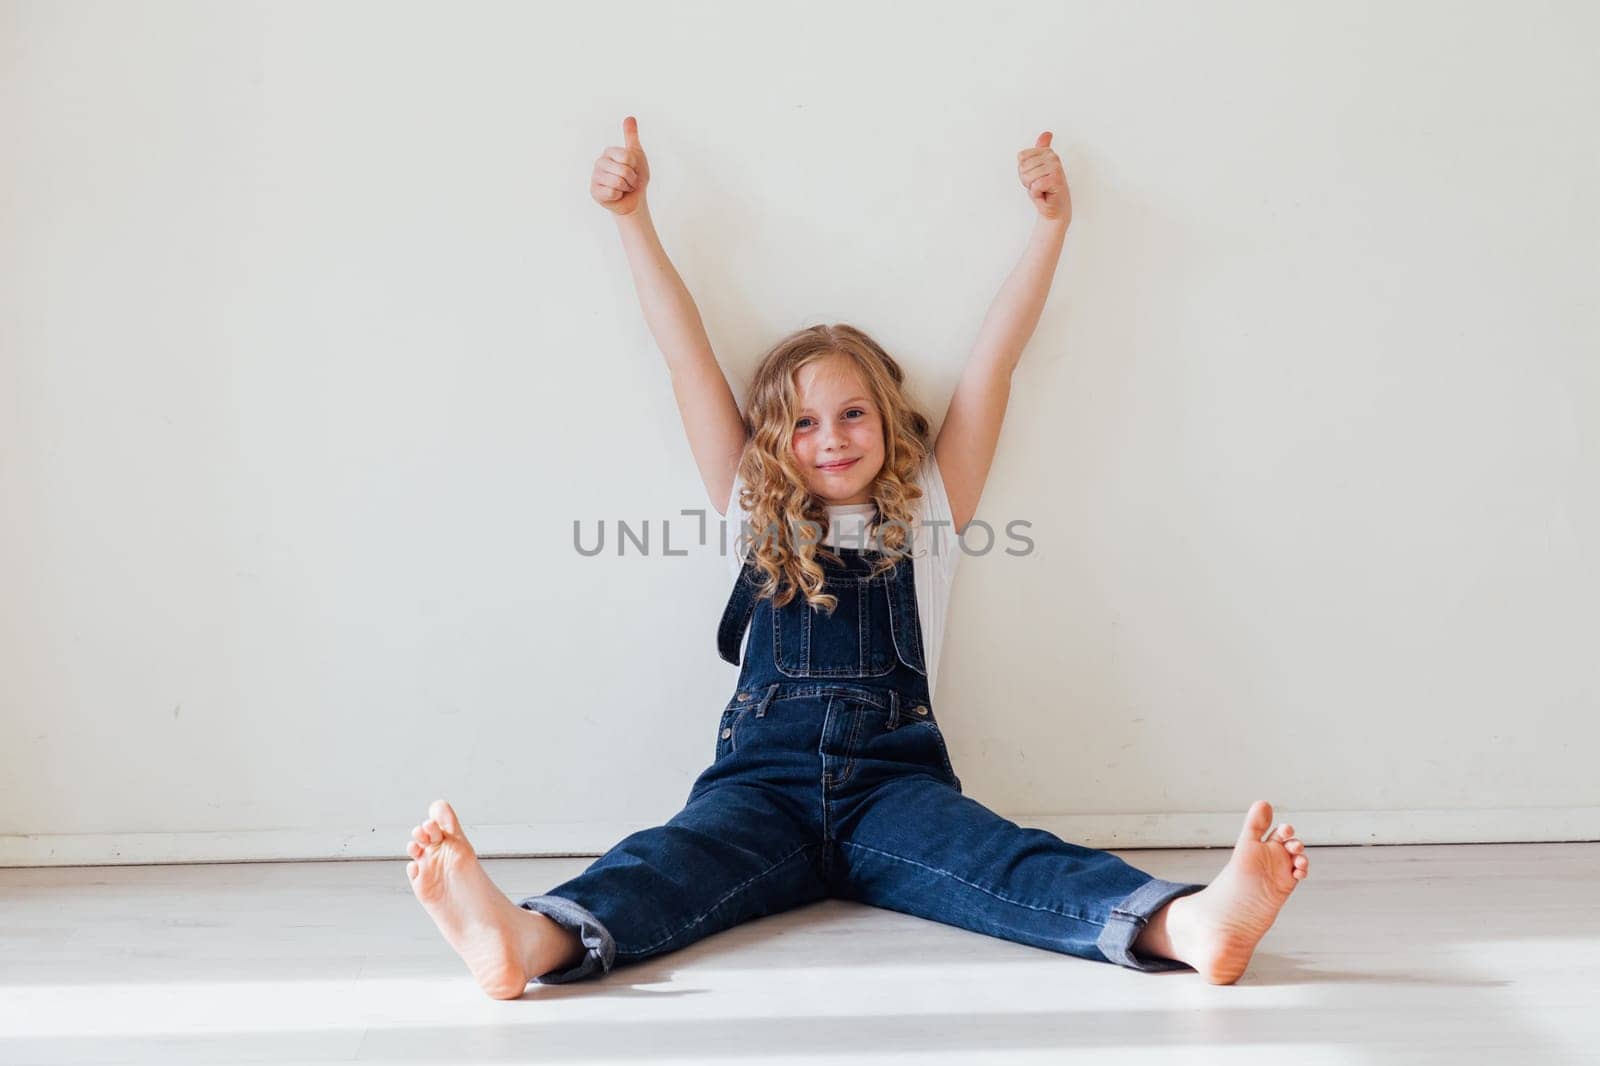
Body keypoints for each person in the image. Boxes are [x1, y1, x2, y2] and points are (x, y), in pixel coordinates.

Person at [404, 116, 1310, 999]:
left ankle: (1187, 926)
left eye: (851, 413)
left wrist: (1052, 226)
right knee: (663, 864)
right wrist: (634, 219)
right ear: (770, 443)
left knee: (1010, 863)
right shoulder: (751, 511)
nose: (830, 439)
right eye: (801, 422)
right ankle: (526, 937)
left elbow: (995, 364)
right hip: (759, 792)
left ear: (887, 422)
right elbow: (683, 358)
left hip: (896, 792)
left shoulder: (930, 514)